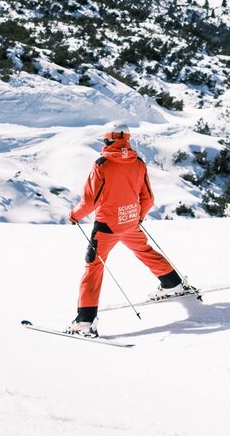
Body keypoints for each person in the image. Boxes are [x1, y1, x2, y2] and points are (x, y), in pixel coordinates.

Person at [66, 123, 186, 336]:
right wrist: (135, 218)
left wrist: (74, 215)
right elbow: (148, 198)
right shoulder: (138, 162)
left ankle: (85, 321)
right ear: (127, 140)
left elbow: (90, 201)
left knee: (94, 267)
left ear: (108, 140)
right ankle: (172, 284)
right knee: (144, 251)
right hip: (130, 221)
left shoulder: (102, 164)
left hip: (107, 226)